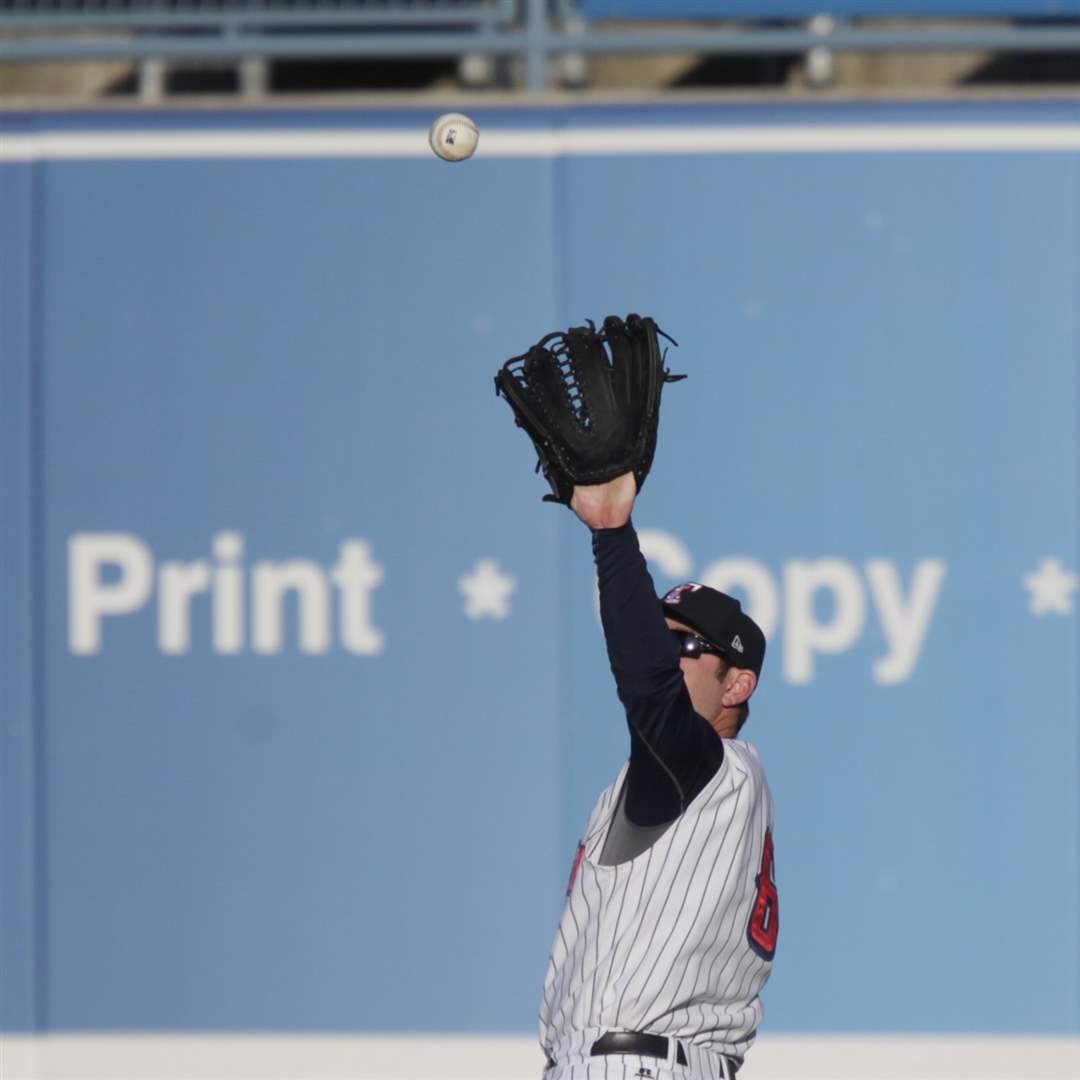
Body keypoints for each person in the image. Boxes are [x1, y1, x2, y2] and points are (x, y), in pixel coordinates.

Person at [539, 471, 778, 1080]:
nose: (669, 654)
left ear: (738, 684)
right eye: (662, 636)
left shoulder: (699, 765)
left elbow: (647, 683)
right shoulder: (715, 783)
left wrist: (611, 534)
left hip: (634, 1063)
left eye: (687, 646)